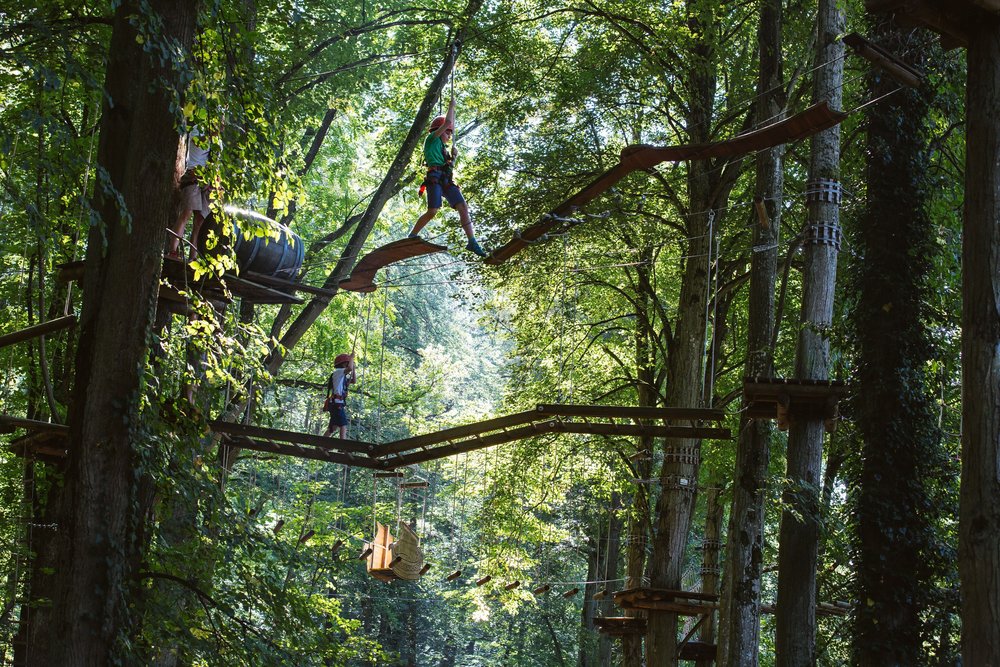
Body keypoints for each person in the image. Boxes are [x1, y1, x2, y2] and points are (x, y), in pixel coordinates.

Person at [408, 99, 488, 257]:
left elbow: (448, 168)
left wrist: (453, 158)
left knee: (463, 207)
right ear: (438, 130)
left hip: (445, 179)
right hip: (434, 178)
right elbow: (448, 121)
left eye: (451, 132)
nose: (449, 134)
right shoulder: (431, 140)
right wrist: (452, 106)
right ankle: (412, 234)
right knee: (432, 211)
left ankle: (472, 241)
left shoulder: (444, 150)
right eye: (447, 131)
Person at [168, 127, 214, 260]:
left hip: (208, 182)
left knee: (200, 221)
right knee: (186, 213)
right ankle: (173, 251)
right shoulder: (198, 130)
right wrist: (212, 134)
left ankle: (193, 258)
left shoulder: (217, 140)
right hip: (193, 176)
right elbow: (198, 143)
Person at [323, 353, 356, 439]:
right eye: (347, 363)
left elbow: (354, 381)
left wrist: (354, 368)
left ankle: (320, 445)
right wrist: (352, 358)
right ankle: (342, 446)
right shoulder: (338, 372)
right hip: (336, 403)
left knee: (333, 427)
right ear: (343, 364)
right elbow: (349, 368)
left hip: (336, 403)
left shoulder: (342, 376)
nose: (348, 364)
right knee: (343, 424)